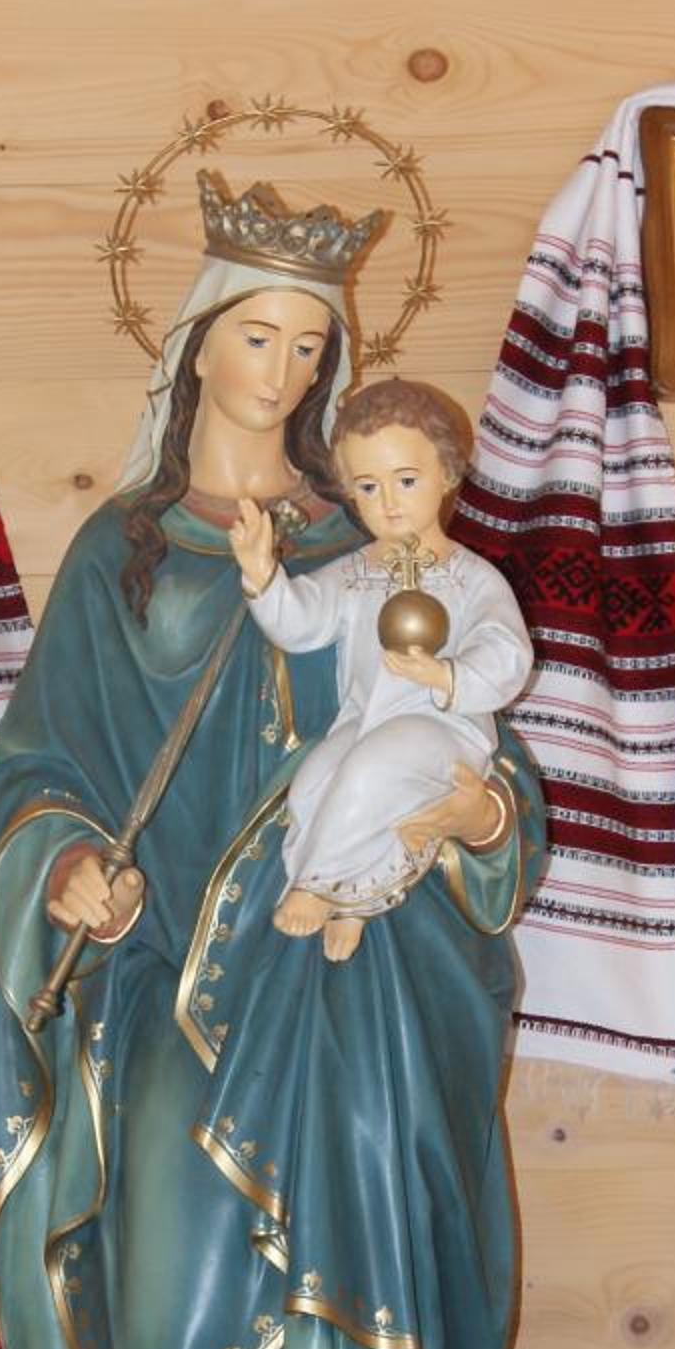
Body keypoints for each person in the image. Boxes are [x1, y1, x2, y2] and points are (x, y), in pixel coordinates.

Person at [0, 173, 545, 1349]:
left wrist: (482, 819)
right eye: (259, 335)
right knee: (167, 1328)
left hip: (360, 995)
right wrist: (68, 867)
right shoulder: (123, 551)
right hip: (171, 993)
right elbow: (36, 766)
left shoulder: (382, 539)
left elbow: (478, 744)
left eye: (312, 344)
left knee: (357, 1307)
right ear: (197, 344)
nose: (285, 368)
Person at [231, 376, 533, 960]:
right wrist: (263, 577)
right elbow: (301, 621)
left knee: (371, 773)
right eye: (369, 487)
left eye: (407, 480)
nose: (389, 502)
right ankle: (356, 900)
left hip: (446, 730)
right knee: (315, 783)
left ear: (447, 474)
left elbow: (506, 652)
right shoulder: (356, 572)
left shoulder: (471, 578)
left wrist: (448, 678)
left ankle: (318, 887)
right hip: (365, 720)